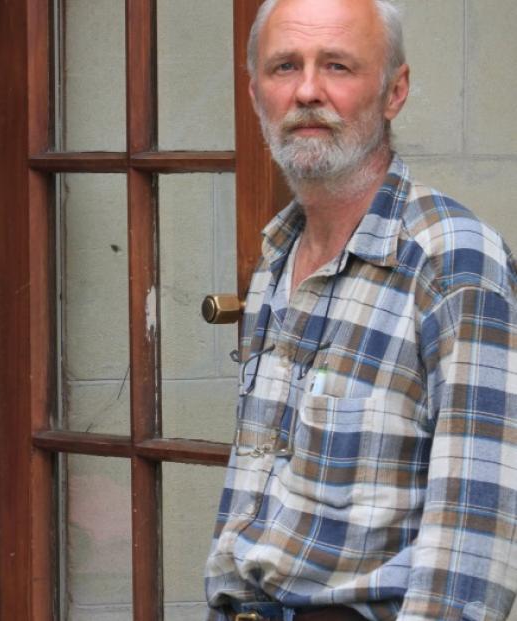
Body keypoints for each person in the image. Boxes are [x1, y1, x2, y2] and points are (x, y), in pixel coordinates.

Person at [204, 1, 517, 620]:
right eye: (284, 66)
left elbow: (474, 547)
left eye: (339, 66)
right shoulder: (278, 259)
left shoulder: (452, 262)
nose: (308, 91)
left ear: (393, 91)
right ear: (254, 91)